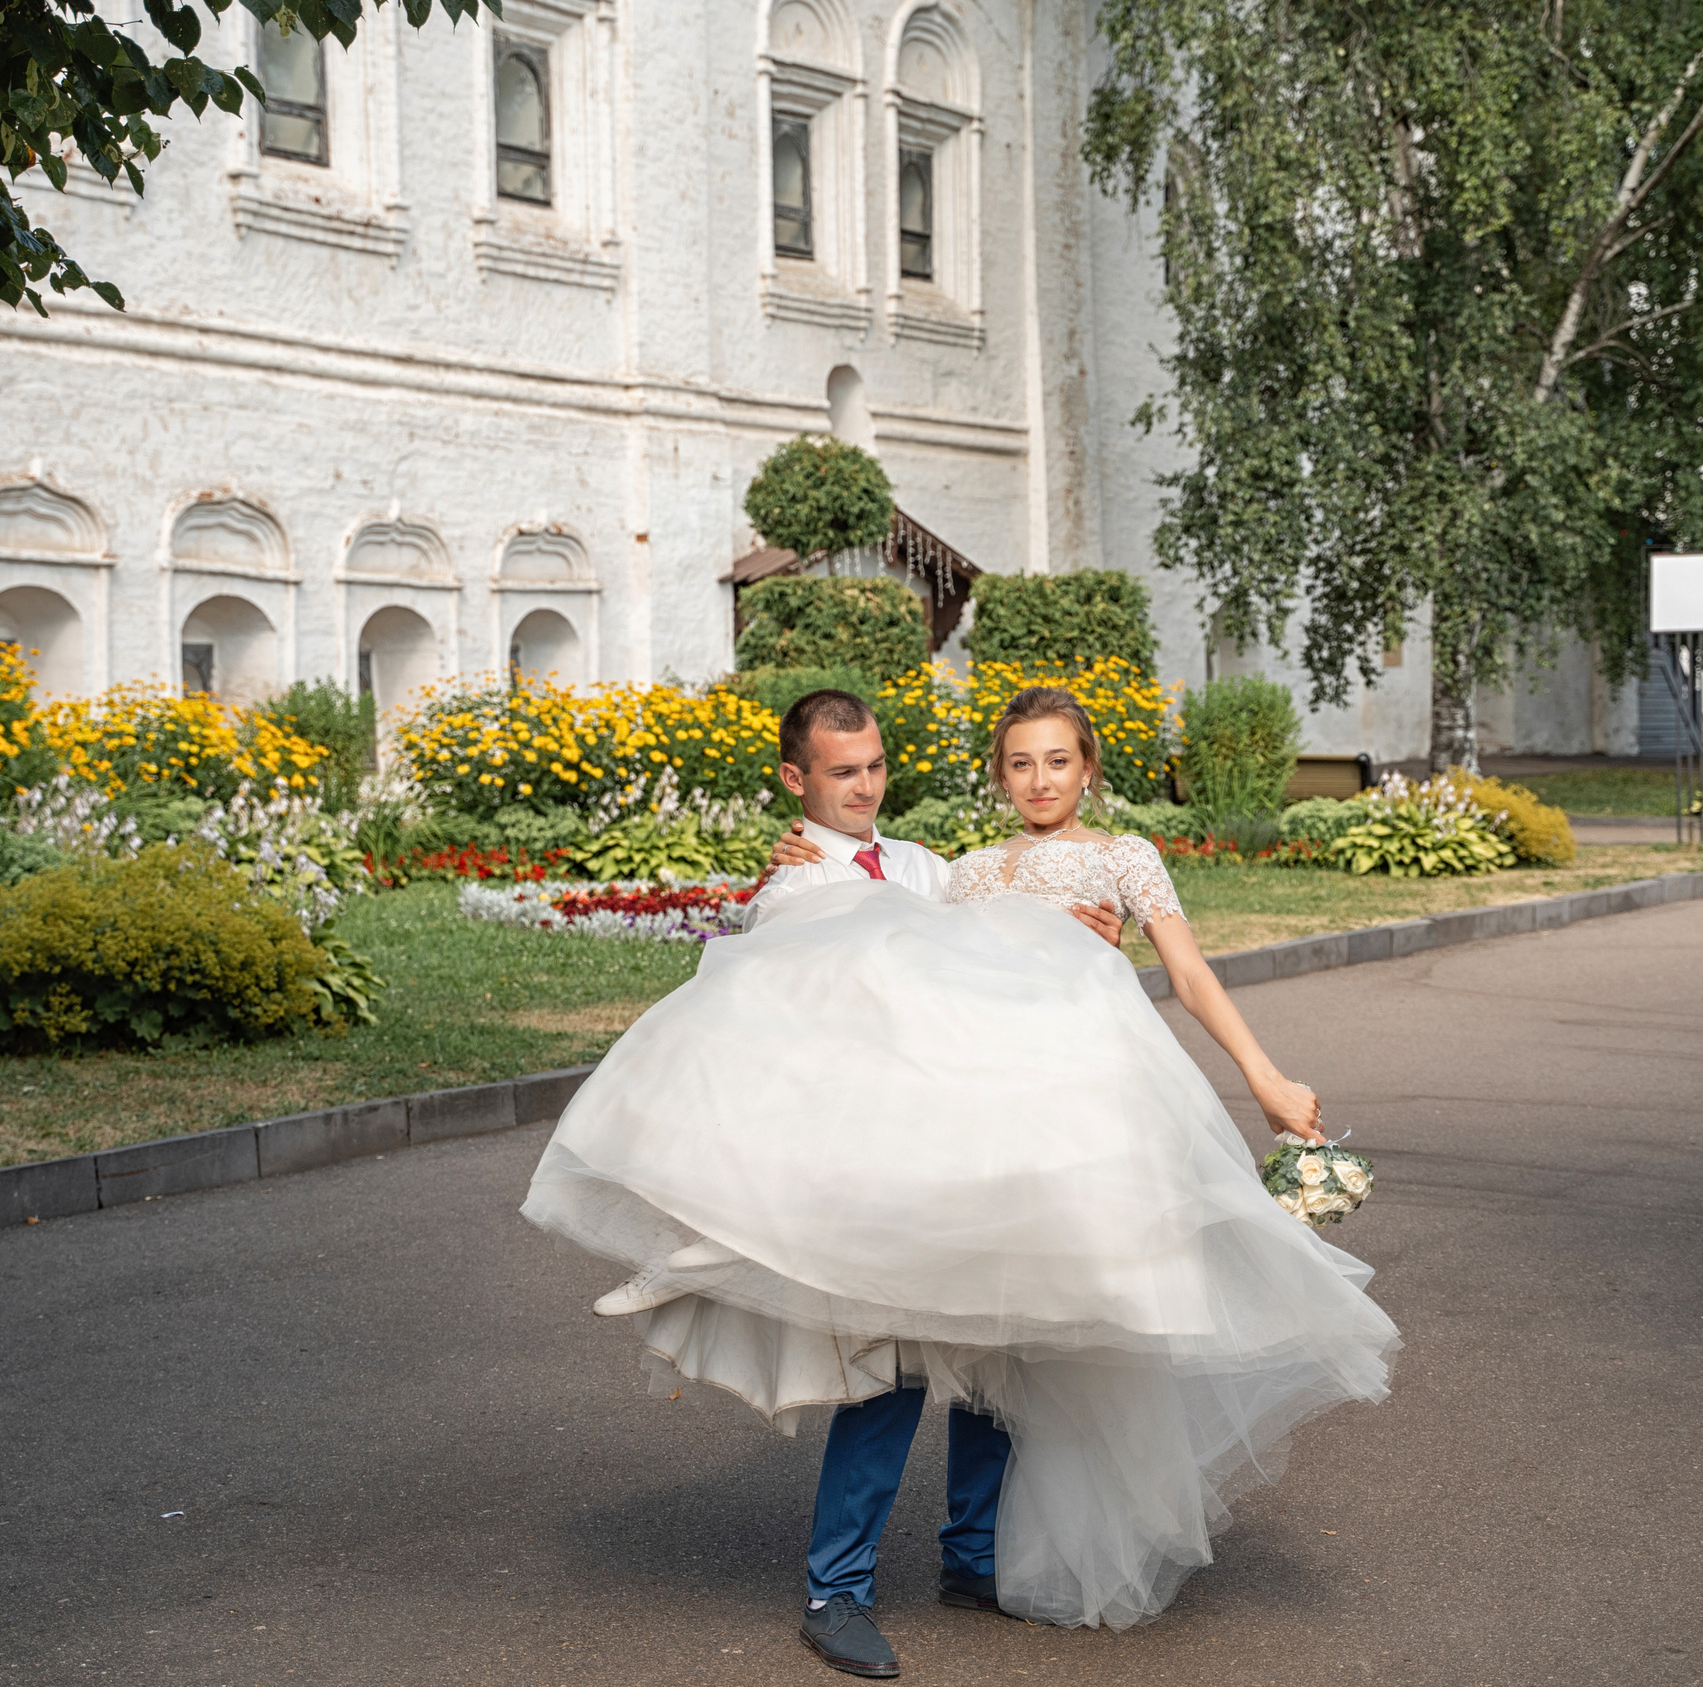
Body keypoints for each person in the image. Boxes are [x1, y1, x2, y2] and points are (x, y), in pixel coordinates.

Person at [520, 686, 1397, 1676]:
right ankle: (835, 1585)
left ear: (1089, 767)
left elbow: (1135, 974)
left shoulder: (952, 869)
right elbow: (862, 977)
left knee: (1008, 1345)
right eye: (1019, 763)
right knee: (889, 1362)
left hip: (1035, 1134)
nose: (1038, 780)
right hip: (905, 1145)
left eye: (1057, 761)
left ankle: (972, 1555)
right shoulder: (880, 878)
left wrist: (1231, 1054)